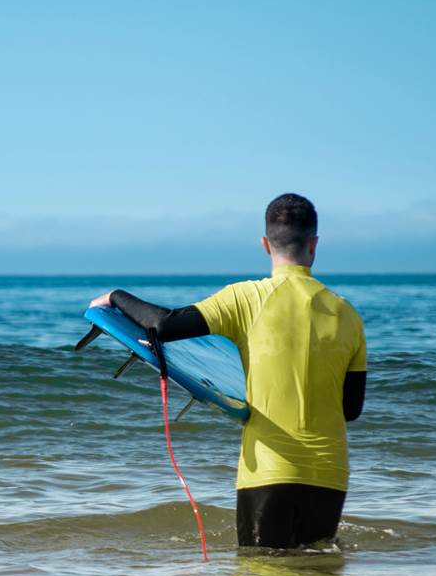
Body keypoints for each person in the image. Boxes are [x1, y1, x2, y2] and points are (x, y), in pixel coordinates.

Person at [89, 193, 366, 549]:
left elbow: (166, 325)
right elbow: (350, 410)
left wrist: (115, 296)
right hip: (330, 474)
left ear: (265, 244)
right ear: (314, 244)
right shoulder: (348, 315)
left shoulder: (245, 298)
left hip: (269, 471)